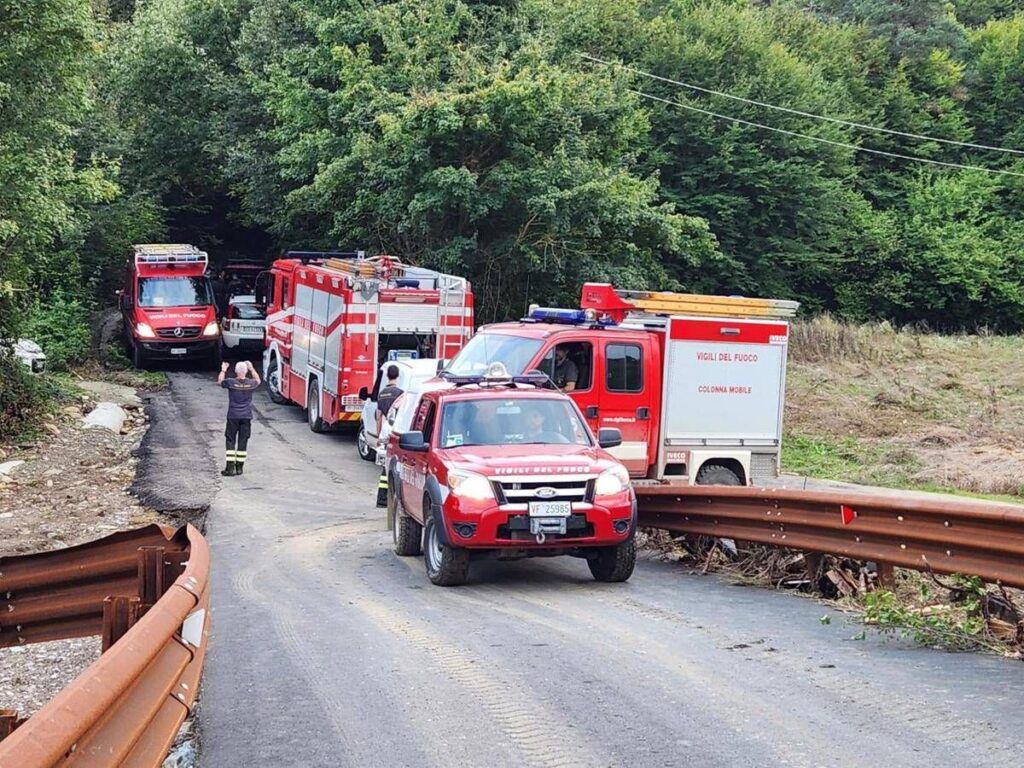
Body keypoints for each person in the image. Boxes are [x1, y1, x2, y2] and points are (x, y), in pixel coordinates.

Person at [217, 360, 261, 476]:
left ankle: (230, 468)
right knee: (243, 441)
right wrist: (252, 369)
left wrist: (223, 370)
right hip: (246, 416)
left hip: (233, 416)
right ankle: (239, 468)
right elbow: (258, 380)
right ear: (246, 371)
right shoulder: (251, 383)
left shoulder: (231, 382)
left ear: (236, 371)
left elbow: (220, 381)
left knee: (230, 440)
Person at [375, 365, 403, 506]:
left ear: (387, 375)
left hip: (385, 433)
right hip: (395, 432)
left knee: (385, 467)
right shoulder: (400, 394)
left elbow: (379, 417)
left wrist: (378, 436)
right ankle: (393, 498)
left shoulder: (382, 394)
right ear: (398, 376)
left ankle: (381, 499)